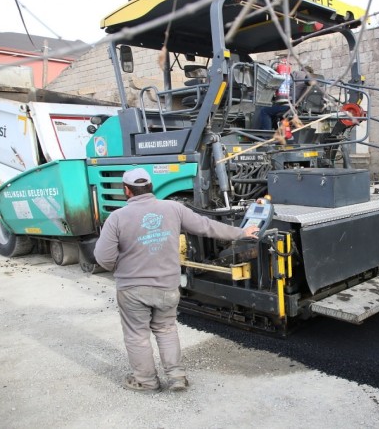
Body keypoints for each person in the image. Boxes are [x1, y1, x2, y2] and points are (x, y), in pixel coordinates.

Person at [94, 168, 258, 393]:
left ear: (127, 190)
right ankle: (177, 377)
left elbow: (103, 258)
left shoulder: (117, 217)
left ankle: (146, 381)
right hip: (167, 286)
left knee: (137, 335)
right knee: (166, 329)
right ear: (150, 186)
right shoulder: (173, 208)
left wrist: (122, 267)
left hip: (132, 289)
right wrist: (242, 233)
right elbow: (207, 227)